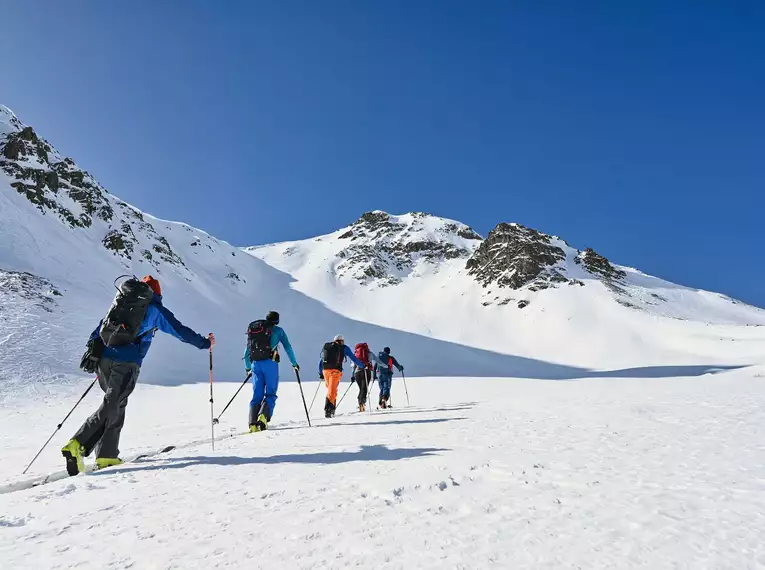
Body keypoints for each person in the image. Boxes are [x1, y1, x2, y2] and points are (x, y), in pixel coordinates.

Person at [62, 275, 214, 475]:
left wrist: (96, 355)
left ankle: (107, 455)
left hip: (103, 361)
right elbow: (181, 331)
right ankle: (78, 443)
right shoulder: (153, 309)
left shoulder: (119, 304)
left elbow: (99, 331)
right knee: (113, 404)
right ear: (156, 293)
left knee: (116, 403)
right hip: (126, 362)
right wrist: (205, 343)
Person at [243, 311, 299, 432]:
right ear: (277, 321)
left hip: (255, 364)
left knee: (257, 394)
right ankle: (263, 417)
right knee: (270, 393)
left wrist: (248, 368)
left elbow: (246, 353)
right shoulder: (278, 331)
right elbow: (287, 347)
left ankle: (252, 423)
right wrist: (294, 364)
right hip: (270, 364)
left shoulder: (256, 331)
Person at [318, 335, 364, 418]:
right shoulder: (344, 348)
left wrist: (320, 373)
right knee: (332, 391)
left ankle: (331, 410)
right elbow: (353, 358)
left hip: (325, 371)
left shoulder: (328, 347)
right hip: (335, 371)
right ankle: (328, 410)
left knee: (331, 390)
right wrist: (362, 366)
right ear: (341, 341)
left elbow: (321, 360)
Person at [351, 343, 382, 412]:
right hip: (366, 371)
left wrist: (352, 375)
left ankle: (360, 402)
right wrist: (386, 366)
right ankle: (362, 402)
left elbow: (353, 365)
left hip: (357, 373)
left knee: (361, 388)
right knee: (364, 388)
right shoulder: (369, 353)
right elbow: (378, 361)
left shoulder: (355, 354)